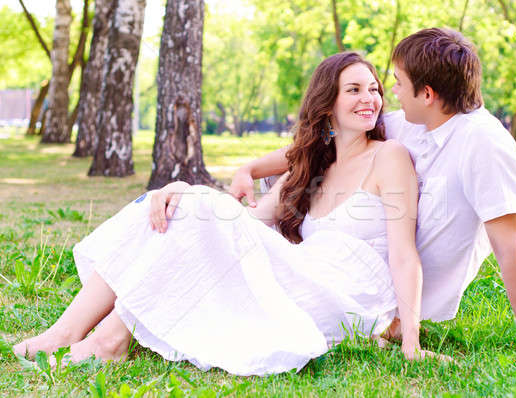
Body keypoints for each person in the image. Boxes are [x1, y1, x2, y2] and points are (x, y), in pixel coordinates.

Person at [13, 53, 445, 376]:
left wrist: (410, 338)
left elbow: (404, 254)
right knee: (175, 208)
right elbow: (242, 224)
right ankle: (67, 333)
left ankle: (108, 338)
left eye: (374, 89)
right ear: (328, 103)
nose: (369, 98)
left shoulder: (389, 157)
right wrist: (182, 191)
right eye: (354, 90)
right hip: (302, 272)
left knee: (193, 209)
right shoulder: (311, 167)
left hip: (351, 291)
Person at [230, 28, 516, 357]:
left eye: (398, 82)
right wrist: (251, 169)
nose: (390, 93)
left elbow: (514, 251)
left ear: (427, 94)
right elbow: (326, 134)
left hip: (379, 291)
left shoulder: (486, 146)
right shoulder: (410, 121)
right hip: (352, 279)